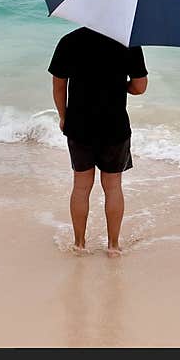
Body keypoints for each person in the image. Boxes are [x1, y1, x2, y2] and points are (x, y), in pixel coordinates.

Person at [48, 27, 148, 257]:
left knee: (81, 186)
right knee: (113, 187)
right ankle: (113, 247)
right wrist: (119, 86)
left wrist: (63, 116)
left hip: (79, 126)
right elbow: (140, 87)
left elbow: (59, 84)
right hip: (114, 127)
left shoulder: (69, 41)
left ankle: (79, 244)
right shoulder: (127, 43)